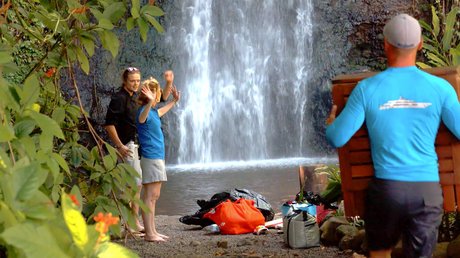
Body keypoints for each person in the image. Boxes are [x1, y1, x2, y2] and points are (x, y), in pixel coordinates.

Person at [325, 14, 460, 258]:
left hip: (387, 193)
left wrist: (331, 123)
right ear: (420, 45)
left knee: (380, 254)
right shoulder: (441, 89)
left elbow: (337, 138)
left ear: (386, 45)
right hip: (426, 192)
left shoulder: (367, 89)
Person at [104, 67, 175, 234]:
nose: (136, 83)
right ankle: (130, 223)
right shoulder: (119, 99)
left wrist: (169, 82)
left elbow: (161, 98)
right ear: (124, 81)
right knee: (133, 185)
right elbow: (109, 124)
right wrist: (119, 145)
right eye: (132, 81)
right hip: (126, 146)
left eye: (137, 80)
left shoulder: (136, 96)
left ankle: (133, 221)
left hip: (138, 146)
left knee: (136, 185)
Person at [136, 77, 180, 242]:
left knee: (154, 196)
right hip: (150, 157)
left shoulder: (154, 112)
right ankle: (149, 234)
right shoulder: (143, 111)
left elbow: (163, 110)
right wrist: (149, 102)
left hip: (157, 157)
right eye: (157, 92)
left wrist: (174, 101)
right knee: (149, 196)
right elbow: (141, 120)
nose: (160, 95)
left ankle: (152, 230)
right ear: (148, 95)